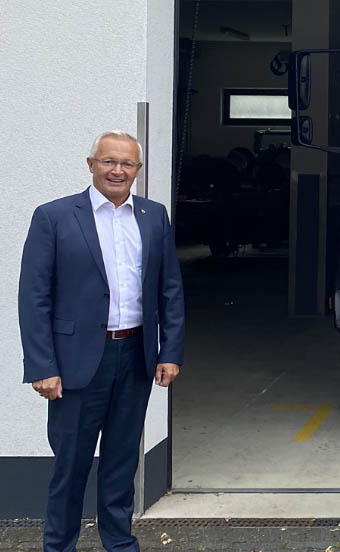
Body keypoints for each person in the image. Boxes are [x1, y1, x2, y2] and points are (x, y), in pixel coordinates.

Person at [18, 130, 185, 552]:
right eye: (109, 161)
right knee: (70, 464)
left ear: (138, 171)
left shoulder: (153, 216)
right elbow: (33, 296)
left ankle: (119, 541)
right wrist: (43, 366)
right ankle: (59, 545)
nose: (117, 170)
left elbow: (170, 289)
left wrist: (170, 351)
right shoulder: (54, 217)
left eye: (127, 164)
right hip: (75, 363)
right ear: (90, 165)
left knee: (121, 460)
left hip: (135, 356)